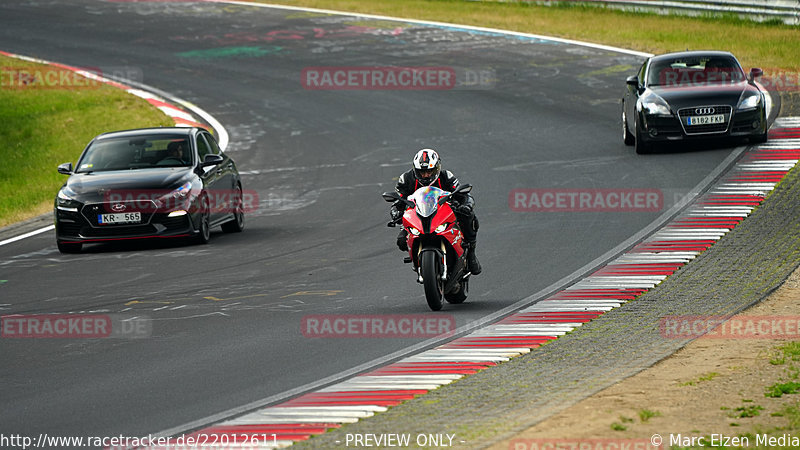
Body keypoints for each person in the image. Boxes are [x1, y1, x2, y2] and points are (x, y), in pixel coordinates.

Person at [390, 148, 481, 275]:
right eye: (422, 172)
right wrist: (395, 212)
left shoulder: (446, 176)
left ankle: (471, 252)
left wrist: (466, 205)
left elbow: (464, 195)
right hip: (417, 216)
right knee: (401, 241)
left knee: (469, 217)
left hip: (443, 214)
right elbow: (398, 201)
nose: (426, 175)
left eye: (429, 171)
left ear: (437, 168)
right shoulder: (406, 179)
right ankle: (418, 261)